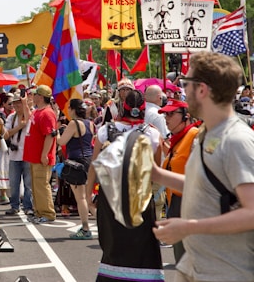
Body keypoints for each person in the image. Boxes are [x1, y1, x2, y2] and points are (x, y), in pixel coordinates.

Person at [152, 52, 254, 281]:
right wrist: (157, 174)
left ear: (202, 90)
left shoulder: (236, 140)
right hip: (197, 266)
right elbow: (207, 187)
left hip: (225, 271)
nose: (182, 91)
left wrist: (188, 227)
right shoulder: (206, 133)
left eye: (186, 84)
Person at [88, 89, 164, 281]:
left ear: (123, 106)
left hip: (110, 196)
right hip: (140, 197)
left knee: (112, 245)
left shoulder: (105, 130)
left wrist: (87, 195)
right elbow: (156, 171)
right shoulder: (153, 134)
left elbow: (94, 166)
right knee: (142, 246)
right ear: (144, 109)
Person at [158, 99, 199, 263]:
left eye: (171, 113)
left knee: (188, 262)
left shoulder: (195, 136)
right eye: (165, 114)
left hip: (189, 204)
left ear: (186, 117)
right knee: (182, 262)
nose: (166, 118)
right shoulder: (177, 139)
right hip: (175, 202)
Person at [56, 98, 95, 239]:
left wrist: (59, 131)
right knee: (88, 198)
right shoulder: (90, 123)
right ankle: (104, 225)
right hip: (88, 160)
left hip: (77, 162)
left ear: (73, 109)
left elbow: (61, 142)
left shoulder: (74, 123)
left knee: (81, 198)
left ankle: (85, 229)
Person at [23, 85, 57, 224]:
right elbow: (29, 118)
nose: (33, 96)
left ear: (41, 97)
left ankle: (47, 213)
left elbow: (50, 135)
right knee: (37, 186)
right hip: (34, 156)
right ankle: (39, 211)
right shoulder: (38, 111)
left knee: (42, 185)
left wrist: (44, 155)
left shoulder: (47, 113)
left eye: (35, 94)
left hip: (41, 157)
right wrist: (25, 104)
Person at [3, 92, 33, 216]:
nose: (15, 105)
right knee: (14, 183)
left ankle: (28, 206)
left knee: (28, 184)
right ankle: (14, 206)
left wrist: (26, 104)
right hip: (14, 155)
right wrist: (19, 127)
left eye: (18, 102)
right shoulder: (11, 117)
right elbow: (5, 134)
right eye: (14, 103)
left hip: (28, 154)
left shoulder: (30, 115)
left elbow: (28, 120)